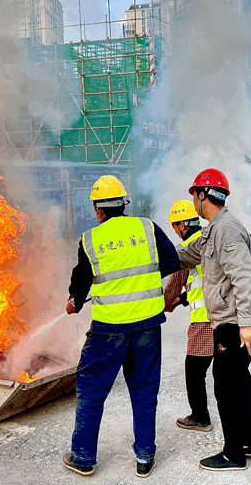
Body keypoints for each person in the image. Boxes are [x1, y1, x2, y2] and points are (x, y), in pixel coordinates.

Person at [63, 175, 180, 478]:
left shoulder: (91, 239)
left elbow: (81, 281)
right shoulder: (147, 227)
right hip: (147, 326)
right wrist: (142, 280)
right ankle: (145, 457)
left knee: (91, 390)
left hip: (109, 330)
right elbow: (171, 261)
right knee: (144, 391)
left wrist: (74, 301)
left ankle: (83, 458)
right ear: (124, 204)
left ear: (98, 209)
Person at [177, 168, 251, 472]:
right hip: (233, 320)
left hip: (236, 322)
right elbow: (185, 255)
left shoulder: (226, 229)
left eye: (194, 195)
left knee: (225, 386)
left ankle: (233, 455)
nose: (193, 201)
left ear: (202, 194)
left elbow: (245, 276)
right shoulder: (212, 230)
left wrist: (247, 323)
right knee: (236, 383)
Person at [162, 200, 251, 433]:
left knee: (195, 370)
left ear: (181, 225)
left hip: (204, 319)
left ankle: (200, 417)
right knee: (234, 368)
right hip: (224, 315)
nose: (175, 230)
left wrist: (162, 304)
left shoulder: (189, 248)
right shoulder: (209, 239)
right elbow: (210, 281)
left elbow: (171, 289)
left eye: (174, 226)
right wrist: (182, 300)